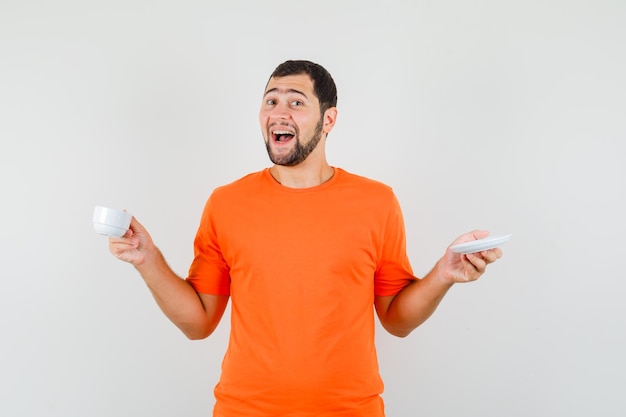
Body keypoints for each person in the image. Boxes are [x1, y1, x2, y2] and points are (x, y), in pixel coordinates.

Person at [109, 60, 503, 417]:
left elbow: (397, 320)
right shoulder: (226, 203)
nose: (278, 112)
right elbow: (198, 323)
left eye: (296, 102)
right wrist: (148, 259)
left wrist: (444, 274)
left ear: (328, 119)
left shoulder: (376, 202)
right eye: (270, 101)